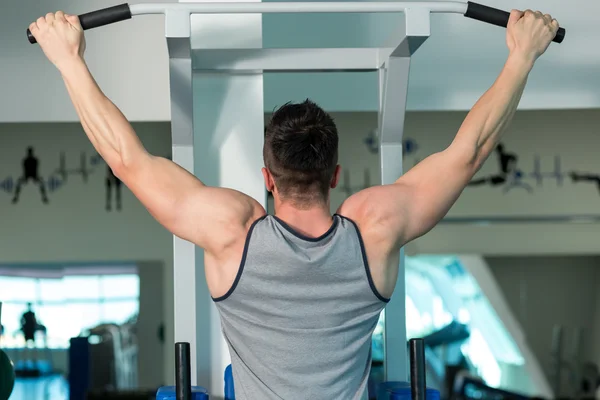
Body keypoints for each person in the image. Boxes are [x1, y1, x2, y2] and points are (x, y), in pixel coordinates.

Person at [28, 10, 559, 399]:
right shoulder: (374, 227)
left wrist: (67, 59)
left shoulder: (232, 230)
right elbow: (468, 153)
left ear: (266, 179)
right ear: (334, 175)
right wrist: (522, 55)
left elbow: (127, 159)